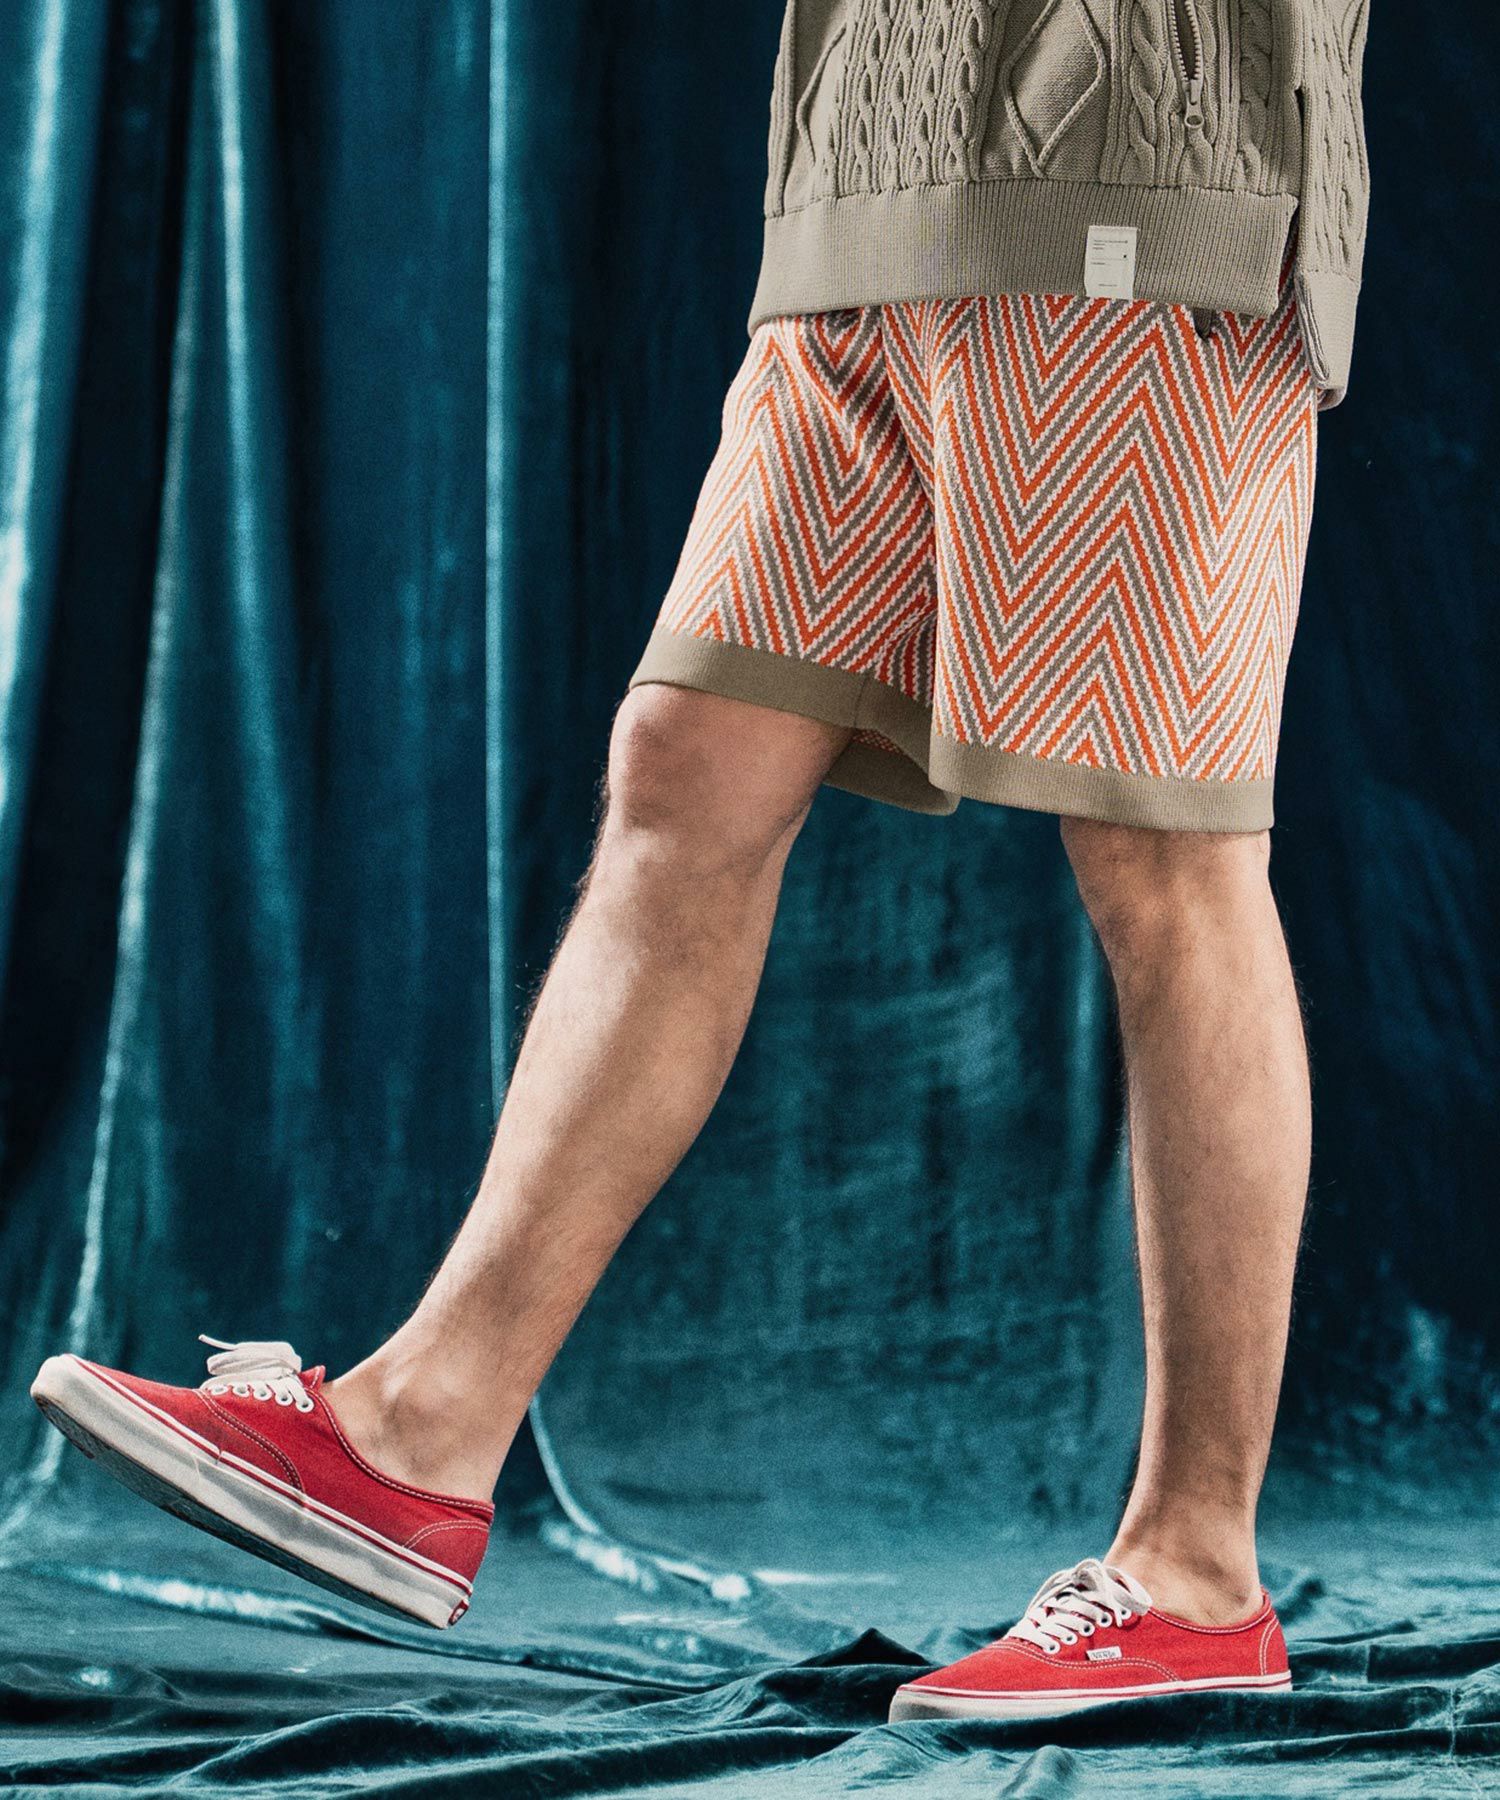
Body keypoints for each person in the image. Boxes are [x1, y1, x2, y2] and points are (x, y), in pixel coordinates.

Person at [31, 0, 1370, 1723]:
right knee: (687, 765)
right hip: (868, 177)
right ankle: (419, 1432)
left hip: (1139, 170)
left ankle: (1196, 1571)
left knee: (1161, 851)